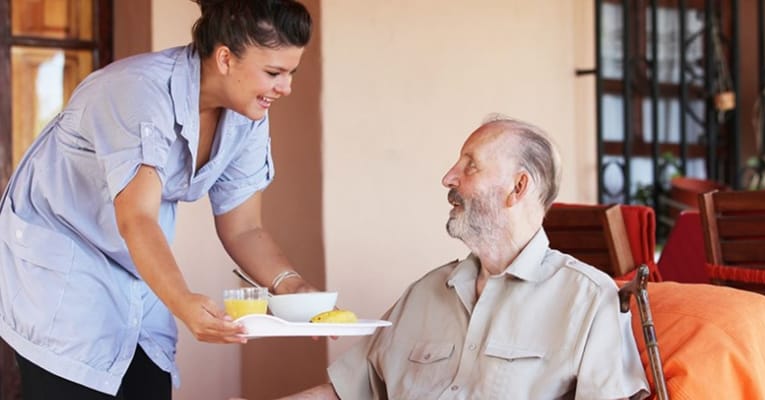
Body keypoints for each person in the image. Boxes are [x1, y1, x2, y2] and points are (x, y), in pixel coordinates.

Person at [0, 1, 317, 398]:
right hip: (63, 267)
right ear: (225, 59)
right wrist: (183, 302)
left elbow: (244, 227)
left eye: (291, 73)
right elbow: (136, 217)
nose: (285, 87)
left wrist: (291, 287)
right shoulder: (137, 91)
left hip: (136, 264)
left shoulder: (246, 113)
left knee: (148, 383)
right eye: (274, 73)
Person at [281, 116, 650, 399]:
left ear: (517, 187)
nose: (448, 178)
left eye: (470, 166)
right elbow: (347, 393)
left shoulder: (587, 300)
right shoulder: (424, 293)